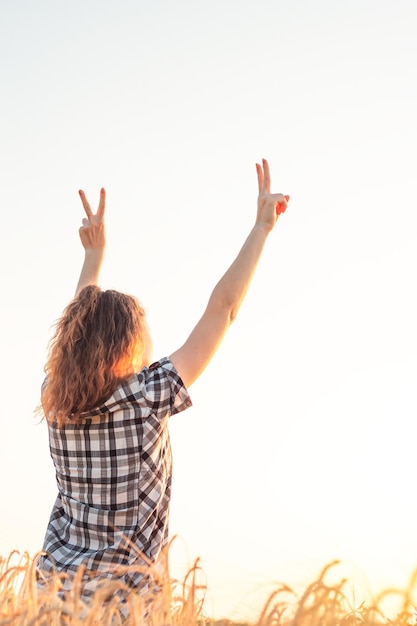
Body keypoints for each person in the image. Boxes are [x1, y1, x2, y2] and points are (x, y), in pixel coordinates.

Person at [36, 159, 289, 601]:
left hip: (50, 597)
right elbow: (223, 309)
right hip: (125, 604)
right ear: (126, 345)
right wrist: (261, 229)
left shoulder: (55, 401)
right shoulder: (148, 396)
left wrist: (93, 258)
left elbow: (77, 332)